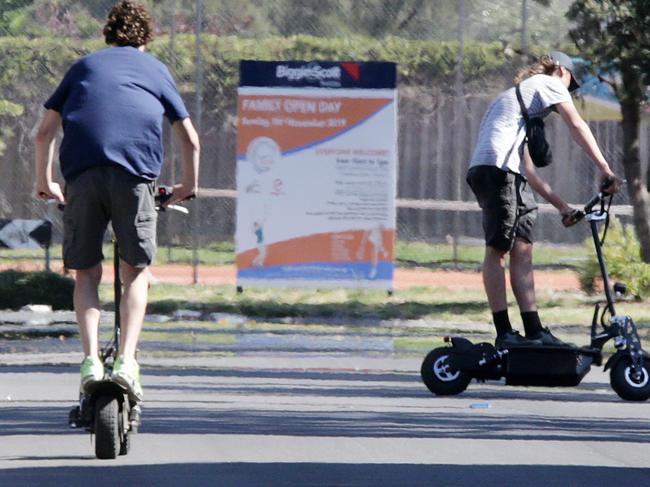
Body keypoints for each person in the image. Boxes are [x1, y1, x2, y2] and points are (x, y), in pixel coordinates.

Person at [34, 0, 200, 400]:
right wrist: (187, 185)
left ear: (107, 34)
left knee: (86, 273)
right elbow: (189, 138)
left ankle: (91, 362)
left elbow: (43, 133)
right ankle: (126, 361)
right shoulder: (156, 69)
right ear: (146, 40)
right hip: (134, 177)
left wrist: (45, 181)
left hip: (82, 177)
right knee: (134, 270)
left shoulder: (84, 67)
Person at [466, 51, 619, 349]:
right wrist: (605, 169)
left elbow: (529, 173)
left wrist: (563, 207)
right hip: (497, 171)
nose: (568, 90)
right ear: (560, 70)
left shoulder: (521, 101)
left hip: (504, 172)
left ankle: (534, 330)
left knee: (522, 248)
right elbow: (576, 125)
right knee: (497, 249)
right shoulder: (546, 83)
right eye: (569, 82)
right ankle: (504, 334)